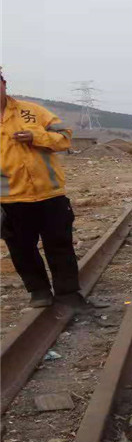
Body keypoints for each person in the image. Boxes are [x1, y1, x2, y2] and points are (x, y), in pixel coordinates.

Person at [0, 68, 86, 309]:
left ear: (4, 83)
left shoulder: (32, 111)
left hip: (50, 194)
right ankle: (38, 291)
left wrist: (36, 136)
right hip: (9, 199)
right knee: (21, 249)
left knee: (60, 245)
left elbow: (64, 137)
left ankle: (68, 294)